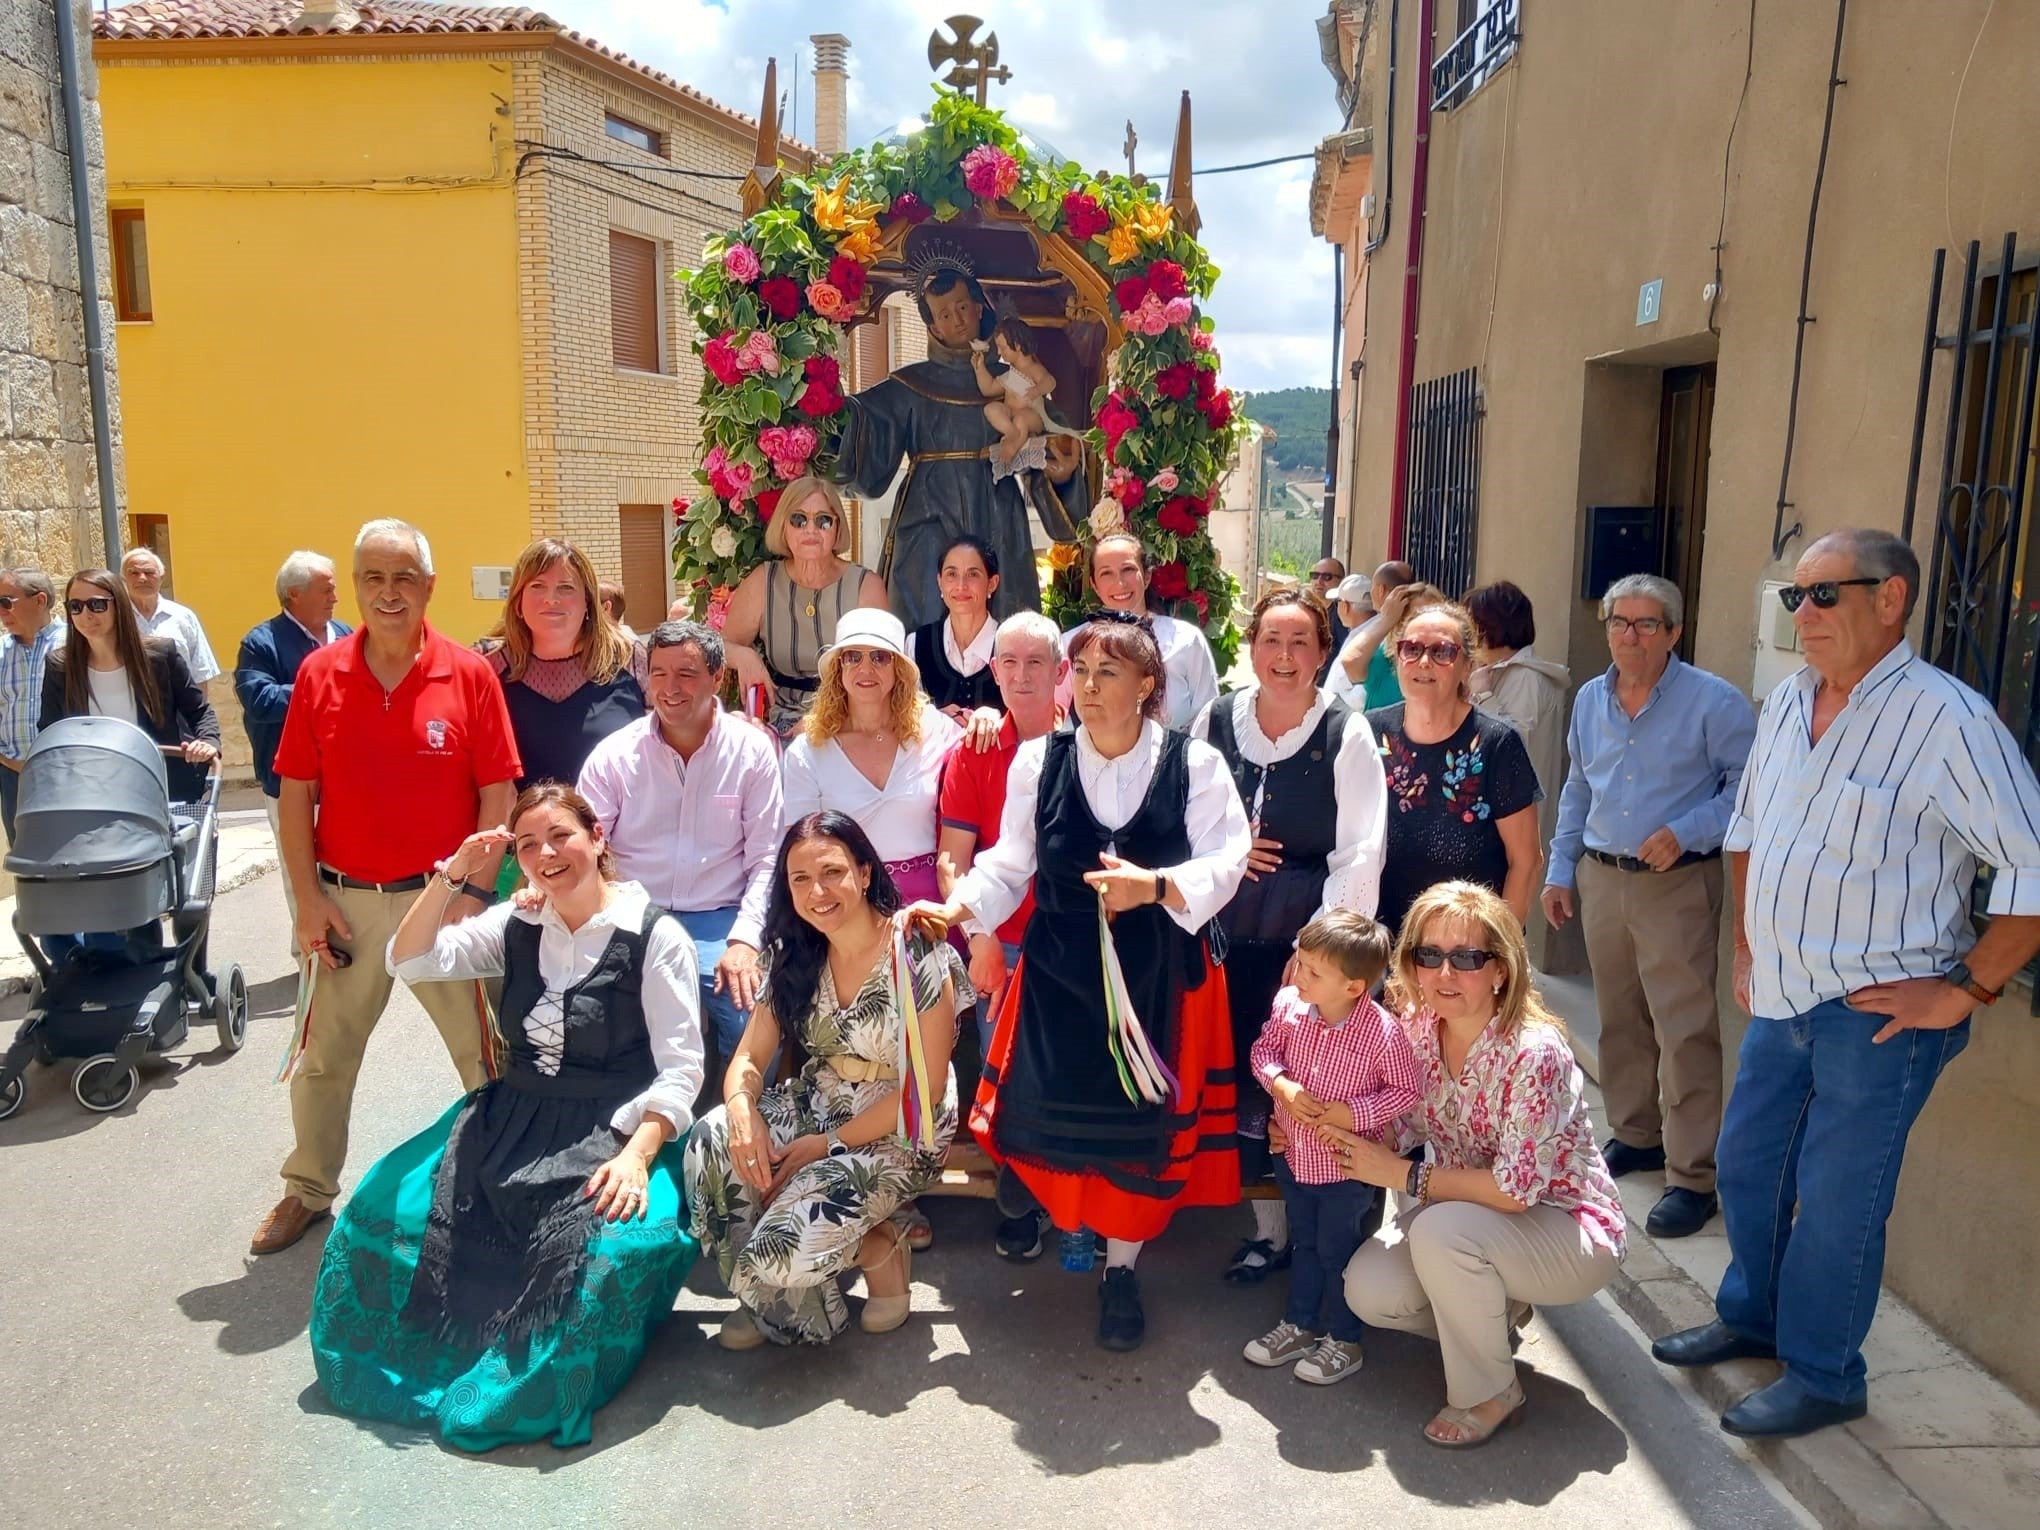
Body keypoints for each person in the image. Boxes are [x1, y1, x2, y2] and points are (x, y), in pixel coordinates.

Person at [1652, 529, 2040, 1441]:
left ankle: (1826, 1372)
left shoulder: (1950, 719)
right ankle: (1753, 1319)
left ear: (1892, 598)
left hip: (1877, 1017)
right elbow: (1747, 830)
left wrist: (1962, 992)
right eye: (1797, 596)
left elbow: (2030, 867)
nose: (1806, 614)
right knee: (1748, 1171)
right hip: (1782, 996)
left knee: (1837, 1201)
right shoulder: (1790, 703)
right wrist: (1749, 943)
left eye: (1827, 595)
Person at [310, 784, 704, 1450]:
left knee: (605, 1254)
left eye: (560, 837)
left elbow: (682, 1069)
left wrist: (636, 1157)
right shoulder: (519, 923)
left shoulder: (654, 937)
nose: (546, 855)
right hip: (512, 1118)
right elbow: (409, 960)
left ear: (598, 836)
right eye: (527, 845)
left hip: (613, 1128)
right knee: (385, 1212)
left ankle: (527, 1374)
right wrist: (455, 873)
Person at [917, 613, 1253, 1351]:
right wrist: (962, 905)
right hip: (1062, 971)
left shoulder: (1193, 765)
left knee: (1137, 1133)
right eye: (1084, 671)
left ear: (1147, 687)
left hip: (1157, 977)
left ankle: (1122, 1269)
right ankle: (1068, 1221)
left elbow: (1229, 860)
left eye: (1110, 673)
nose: (1091, 686)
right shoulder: (1040, 761)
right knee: (1059, 1118)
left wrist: (1157, 887)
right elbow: (1011, 862)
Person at [252, 519, 521, 1257]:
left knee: (484, 1052)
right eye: (373, 577)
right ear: (356, 585)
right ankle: (307, 1189)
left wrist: (472, 895)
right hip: (343, 903)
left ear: (429, 587)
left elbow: (497, 793)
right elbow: (294, 796)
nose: (389, 593)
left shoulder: (469, 675)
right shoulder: (319, 674)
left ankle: (501, 1182)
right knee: (322, 1058)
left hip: (442, 900)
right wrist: (307, 900)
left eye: (404, 578)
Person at [1327, 881, 1625, 1447]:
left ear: (1501, 970)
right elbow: (1400, 1123)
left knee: (1440, 1230)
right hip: (1473, 1216)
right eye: (1429, 955)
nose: (1444, 974)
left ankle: (1490, 1391)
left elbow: (1515, 1192)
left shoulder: (1534, 1052)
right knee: (1368, 1290)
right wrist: (1322, 1122)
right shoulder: (1414, 1030)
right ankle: (1492, 1310)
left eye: (1466, 957)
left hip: (1566, 1227)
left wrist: (1401, 1175)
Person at [684, 811, 969, 1347]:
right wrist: (744, 1113)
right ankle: (768, 1296)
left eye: (833, 872)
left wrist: (826, 1146)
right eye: (799, 879)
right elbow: (747, 1060)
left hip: (901, 1126)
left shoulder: (917, 951)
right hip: (821, 1101)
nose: (817, 892)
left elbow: (923, 1092)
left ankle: (875, 1248)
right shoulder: (794, 956)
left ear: (865, 873)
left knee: (783, 1248)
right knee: (713, 1140)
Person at [1540, 573, 1754, 1240]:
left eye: (1646, 625)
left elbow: (1748, 789)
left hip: (1676, 884)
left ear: (1674, 633)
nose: (1629, 636)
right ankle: (1636, 1136)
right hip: (1603, 876)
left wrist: (1687, 831)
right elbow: (1578, 784)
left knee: (1684, 1029)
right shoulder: (1589, 700)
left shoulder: (1714, 703)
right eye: (1618, 623)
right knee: (1619, 1016)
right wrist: (1559, 869)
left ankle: (1693, 1178)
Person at [1191, 586, 1387, 1285]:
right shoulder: (1216, 721)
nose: (1284, 655)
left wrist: (1317, 959)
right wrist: (1228, 854)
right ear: (1251, 649)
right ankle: (1268, 1229)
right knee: (1247, 1082)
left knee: (1309, 1086)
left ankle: (1326, 1236)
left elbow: (1361, 852)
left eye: (1300, 641)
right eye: (1271, 640)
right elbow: (1187, 817)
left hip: (1305, 944)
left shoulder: (1345, 733)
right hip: (1224, 934)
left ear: (1322, 652)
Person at [577, 620, 782, 1081]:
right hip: (633, 914)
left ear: (716, 677)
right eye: (658, 673)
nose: (669, 688)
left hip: (720, 920)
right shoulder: (614, 756)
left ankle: (743, 1124)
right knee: (592, 1010)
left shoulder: (752, 752)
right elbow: (584, 848)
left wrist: (746, 940)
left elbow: (768, 857)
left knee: (753, 1009)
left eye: (686, 674)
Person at [832, 263, 1088, 631]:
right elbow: (862, 425)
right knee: (922, 624)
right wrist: (824, 401)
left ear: (980, 308)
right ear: (933, 326)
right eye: (944, 314)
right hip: (926, 518)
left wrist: (1058, 471)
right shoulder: (910, 383)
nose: (956, 319)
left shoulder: (1009, 379)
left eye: (963, 307)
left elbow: (1048, 434)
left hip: (996, 513)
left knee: (1003, 625)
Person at [1242, 911, 1419, 1386]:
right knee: (1306, 1242)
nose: (1298, 975)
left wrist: (1351, 1114)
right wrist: (1283, 1087)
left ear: (1354, 987)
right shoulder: (1288, 1007)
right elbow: (1263, 1053)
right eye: (1300, 963)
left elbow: (1406, 1091)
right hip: (1294, 1156)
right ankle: (1300, 1324)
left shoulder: (1383, 1033)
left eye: (1313, 972)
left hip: (1346, 1167)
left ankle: (1344, 1339)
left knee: (1338, 1251)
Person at [936, 609, 1066, 1204]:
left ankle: (1069, 1194)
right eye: (1008, 662)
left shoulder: (1091, 741)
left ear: (1061, 670)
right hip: (1004, 938)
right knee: (1004, 1067)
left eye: (1036, 661)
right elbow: (952, 860)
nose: (1021, 674)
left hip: (1074, 938)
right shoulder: (973, 751)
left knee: (1074, 1068)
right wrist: (981, 938)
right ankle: (1019, 1186)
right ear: (992, 670)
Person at [1368, 598, 1543, 936]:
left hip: (1469, 949)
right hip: (1381, 945)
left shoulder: (1497, 743)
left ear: (1467, 666)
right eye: (1411, 648)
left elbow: (1526, 861)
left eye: (1442, 652)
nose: (1424, 662)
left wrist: (1498, 951)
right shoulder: (1368, 732)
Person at [782, 607, 961, 910]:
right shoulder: (807, 751)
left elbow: (978, 761)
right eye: (853, 657)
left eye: (879, 657)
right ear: (839, 667)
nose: (866, 669)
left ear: (898, 668)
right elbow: (802, 852)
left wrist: (986, 716)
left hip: (930, 908)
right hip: (847, 907)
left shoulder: (933, 728)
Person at [235, 551, 350, 945]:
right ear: (294, 595)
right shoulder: (261, 642)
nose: (336, 596)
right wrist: (325, 691)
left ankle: (346, 944)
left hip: (347, 779)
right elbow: (260, 700)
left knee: (345, 869)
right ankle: (311, 951)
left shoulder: (348, 635)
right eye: (326, 588)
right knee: (298, 870)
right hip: (288, 781)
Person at [719, 476, 888, 739]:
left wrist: (826, 720)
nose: (811, 530)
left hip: (851, 721)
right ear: (783, 527)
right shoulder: (764, 581)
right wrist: (743, 655)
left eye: (823, 520)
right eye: (799, 520)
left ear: (837, 529)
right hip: (780, 723)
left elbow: (883, 669)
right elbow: (721, 645)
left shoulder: (866, 587)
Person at [41, 569, 220, 800]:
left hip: (162, 785)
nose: (86, 614)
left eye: (97, 604)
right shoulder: (60, 667)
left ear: (119, 606)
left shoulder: (160, 656)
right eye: (76, 606)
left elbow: (198, 711)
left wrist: (207, 742)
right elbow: (50, 731)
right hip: (91, 791)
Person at [485, 538, 646, 793]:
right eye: (538, 586)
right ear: (517, 601)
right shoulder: (488, 665)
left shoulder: (630, 658)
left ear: (588, 603)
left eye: (566, 588)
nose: (551, 599)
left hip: (616, 829)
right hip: (520, 829)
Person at [1071, 532, 1219, 732]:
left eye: (1128, 570)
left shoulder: (1185, 640)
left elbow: (1208, 719)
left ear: (1147, 576)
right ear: (1094, 585)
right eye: (1107, 573)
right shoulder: (1071, 645)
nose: (1120, 583)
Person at [1463, 581, 1570, 798]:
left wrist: (1483, 696)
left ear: (1490, 626)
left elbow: (1518, 746)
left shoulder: (1526, 676)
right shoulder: (1497, 671)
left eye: (1470, 625)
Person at [908, 534, 1003, 719]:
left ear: (992, 584)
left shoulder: (1012, 646)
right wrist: (934, 722)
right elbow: (904, 721)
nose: (961, 585)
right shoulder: (917, 645)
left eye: (973, 574)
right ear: (939, 582)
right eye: (952, 574)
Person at [0, 566, 62, 842]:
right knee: (28, 869)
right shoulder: (1, 651)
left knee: (74, 868)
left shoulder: (76, 643)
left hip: (66, 777)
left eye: (5, 602)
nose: (1, 612)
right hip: (14, 780)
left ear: (39, 600)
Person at [120, 546, 220, 686]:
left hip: (178, 705)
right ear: (123, 579)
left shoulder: (183, 617)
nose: (142, 578)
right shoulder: (115, 617)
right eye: (134, 573)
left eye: (149, 572)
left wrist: (197, 707)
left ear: (161, 577)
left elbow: (200, 673)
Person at [971, 316, 1059, 470]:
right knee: (991, 409)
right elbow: (988, 388)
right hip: (1011, 416)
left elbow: (1050, 381)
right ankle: (1013, 433)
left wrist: (1038, 389)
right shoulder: (1010, 374)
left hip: (1032, 417)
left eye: (1003, 347)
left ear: (1017, 346)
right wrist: (980, 368)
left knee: (1021, 419)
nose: (999, 352)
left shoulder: (1034, 369)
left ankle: (1015, 443)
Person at [1335, 560, 1417, 710]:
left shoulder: (1382, 629)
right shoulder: (1380, 627)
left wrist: (1385, 621)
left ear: (1380, 590)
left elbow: (1350, 663)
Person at [1309, 557, 1349, 686]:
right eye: (1315, 576)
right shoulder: (1306, 610)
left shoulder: (1343, 614)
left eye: (1327, 577)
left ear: (1341, 582)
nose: (1319, 581)